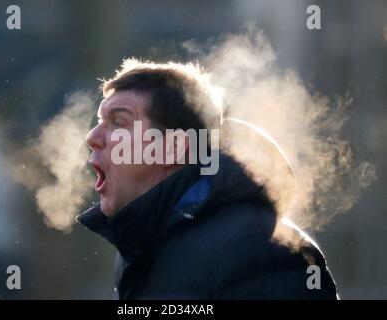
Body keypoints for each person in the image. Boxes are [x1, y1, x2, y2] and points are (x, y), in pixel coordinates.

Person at [76, 59, 337, 299]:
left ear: (173, 148)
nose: (92, 137)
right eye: (100, 121)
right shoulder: (138, 254)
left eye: (119, 122)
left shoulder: (258, 248)